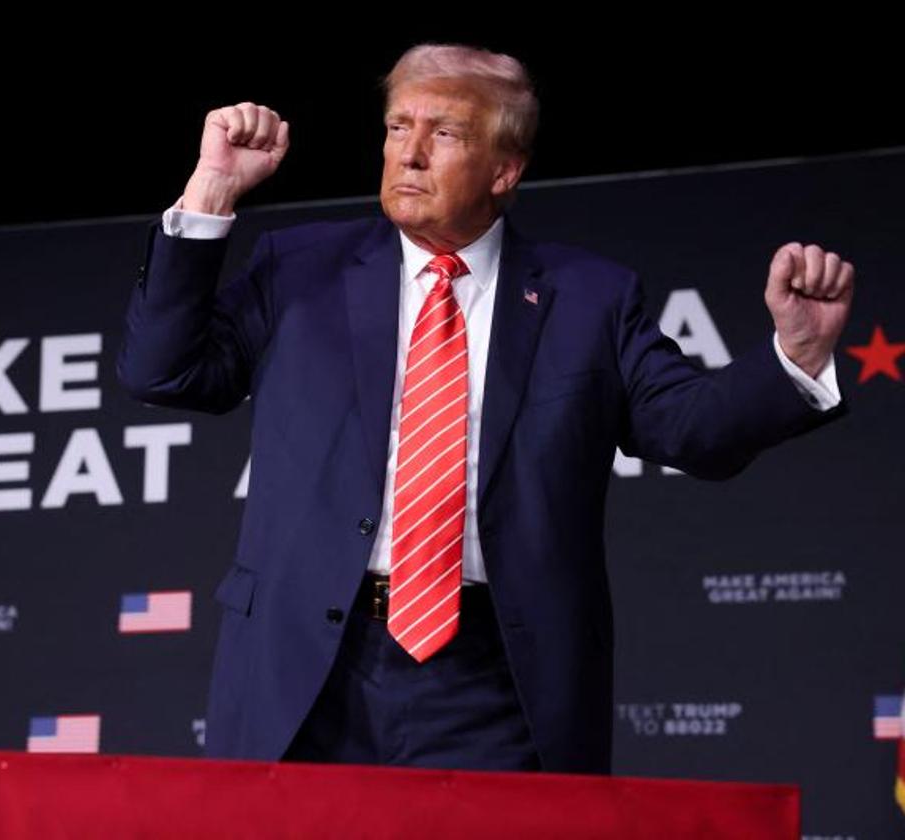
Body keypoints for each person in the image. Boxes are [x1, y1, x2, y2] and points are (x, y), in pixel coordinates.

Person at [116, 43, 853, 774]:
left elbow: (694, 432)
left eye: (444, 134)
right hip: (305, 669)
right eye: (398, 126)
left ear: (505, 169)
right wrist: (211, 191)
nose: (409, 154)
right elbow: (163, 373)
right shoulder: (299, 269)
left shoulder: (590, 299)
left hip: (495, 687)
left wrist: (796, 356)